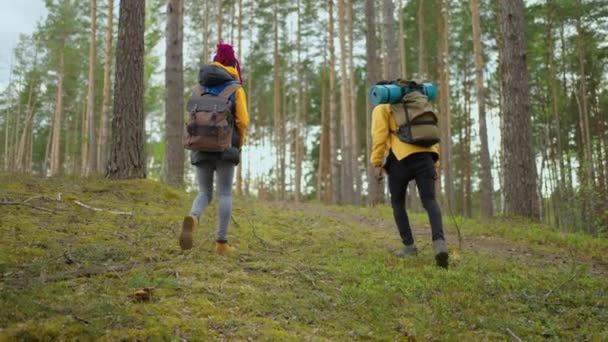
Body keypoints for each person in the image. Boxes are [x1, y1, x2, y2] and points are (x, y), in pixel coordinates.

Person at [179, 42, 249, 255]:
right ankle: (221, 243)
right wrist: (239, 143)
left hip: (200, 146)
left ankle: (194, 216)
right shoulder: (235, 89)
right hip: (226, 147)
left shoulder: (198, 88)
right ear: (232, 63)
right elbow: (243, 121)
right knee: (225, 193)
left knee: (204, 192)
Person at [370, 82, 448, 268]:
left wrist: (377, 162)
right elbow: (430, 133)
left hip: (401, 158)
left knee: (398, 202)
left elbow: (379, 136)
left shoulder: (382, 107)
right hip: (426, 156)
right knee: (430, 200)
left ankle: (409, 247)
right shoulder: (419, 104)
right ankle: (439, 244)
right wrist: (435, 162)